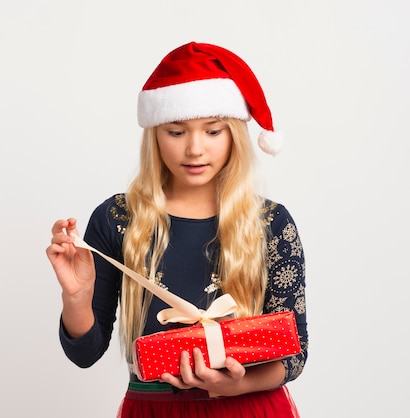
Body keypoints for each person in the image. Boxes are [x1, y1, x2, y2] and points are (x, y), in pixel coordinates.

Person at [46, 42, 308, 418]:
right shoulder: (118, 218)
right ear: (155, 134)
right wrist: (77, 298)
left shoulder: (270, 222)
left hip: (248, 408)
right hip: (153, 409)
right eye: (176, 132)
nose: (195, 149)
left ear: (234, 134)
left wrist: (238, 384)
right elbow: (85, 354)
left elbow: (295, 352)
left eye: (213, 131)